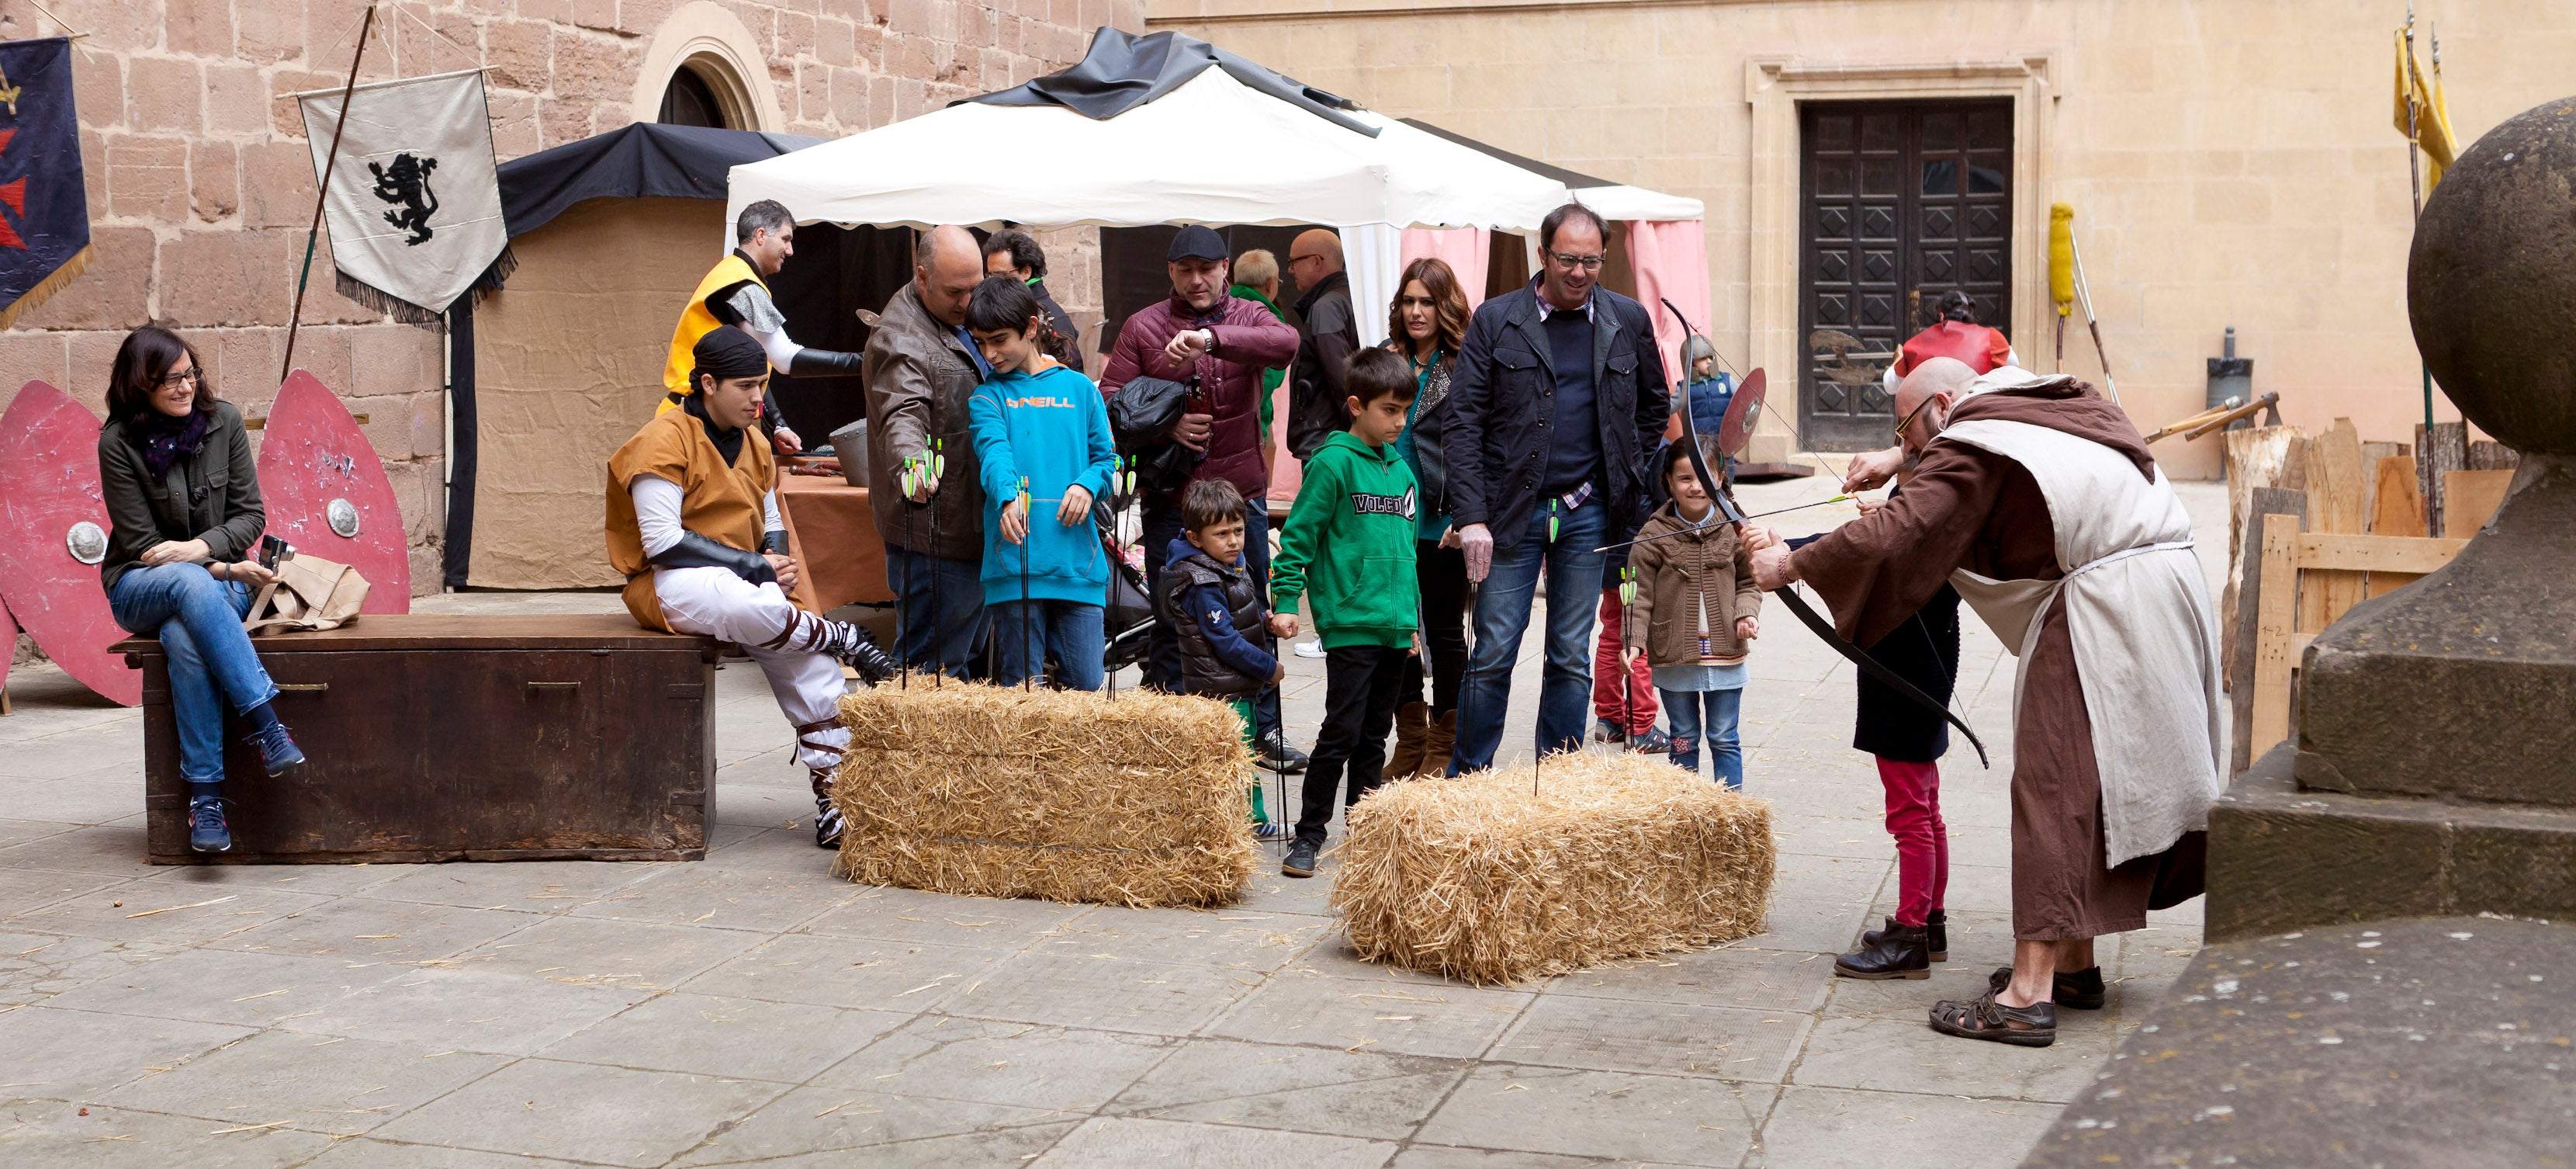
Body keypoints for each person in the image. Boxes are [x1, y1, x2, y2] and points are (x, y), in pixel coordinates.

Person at [1747, 356, 2221, 1047]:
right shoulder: (2043, 398)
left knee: (2053, 784)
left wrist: (1786, 564)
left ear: (1942, 405)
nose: (1909, 445)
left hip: (2103, 602)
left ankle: (2027, 995)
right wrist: (1902, 455)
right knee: (2092, 781)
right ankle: (2074, 963)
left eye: (1908, 428)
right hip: (2162, 587)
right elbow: (1954, 482)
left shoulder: (1971, 441)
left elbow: (1901, 532)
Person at [609, 327, 900, 848]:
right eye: (744, 386)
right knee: (737, 596)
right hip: (670, 583)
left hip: (747, 582)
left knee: (814, 673)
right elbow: (663, 543)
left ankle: (839, 803)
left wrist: (774, 559)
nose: (757, 398)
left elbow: (769, 516)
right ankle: (841, 637)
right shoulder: (663, 439)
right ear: (707, 384)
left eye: (761, 385)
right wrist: (754, 563)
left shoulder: (754, 440)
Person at [1445, 202, 1671, 772]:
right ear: (1542, 254)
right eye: (1568, 259)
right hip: (1511, 510)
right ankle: (1468, 779)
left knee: (1571, 654)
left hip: (1590, 509)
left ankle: (1561, 779)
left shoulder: (1627, 319)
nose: (1578, 272)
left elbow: (1653, 409)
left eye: (1591, 261)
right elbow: (1462, 420)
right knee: (1494, 650)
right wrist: (1472, 515)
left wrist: (1634, 485)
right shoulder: (1497, 320)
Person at [1099, 224, 1305, 772]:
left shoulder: (1251, 315)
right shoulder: (1143, 327)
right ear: (1171, 272)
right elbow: (1109, 404)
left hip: (1241, 497)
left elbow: (1286, 344)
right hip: (1175, 500)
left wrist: (1212, 341)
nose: (1196, 280)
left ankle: (1265, 732)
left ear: (1225, 271)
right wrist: (1165, 427)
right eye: (1185, 270)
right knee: (1174, 619)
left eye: (1206, 269)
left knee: (1253, 615)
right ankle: (1172, 734)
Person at [95, 327, 299, 855]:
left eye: (190, 374)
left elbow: (251, 515)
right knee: (184, 583)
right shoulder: (118, 442)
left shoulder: (224, 422)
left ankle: (205, 800)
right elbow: (144, 547)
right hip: (140, 587)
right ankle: (264, 720)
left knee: (184, 638)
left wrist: (194, 549)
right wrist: (217, 564)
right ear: (141, 386)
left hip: (210, 589)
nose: (185, 388)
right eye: (169, 381)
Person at [1271, 349, 1421, 879]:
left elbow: (1407, 555)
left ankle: (1365, 831)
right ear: (1356, 405)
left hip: (1394, 630)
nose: (1400, 422)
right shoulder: (1332, 464)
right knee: (1341, 732)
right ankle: (1309, 836)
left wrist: (1412, 626)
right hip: (1350, 624)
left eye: (1406, 410)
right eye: (1390, 410)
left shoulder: (1403, 471)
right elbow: (1298, 537)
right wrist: (1286, 601)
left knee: (1377, 737)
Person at [1804, 488, 1965, 982]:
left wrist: (1788, 551)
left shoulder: (1918, 550)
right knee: (1926, 807)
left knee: (1911, 816)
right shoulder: (1938, 532)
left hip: (1906, 683)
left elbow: (1857, 551)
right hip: (1924, 676)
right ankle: (1929, 924)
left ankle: (1912, 937)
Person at [965, 276, 1118, 691]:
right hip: (1015, 563)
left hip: (1077, 563)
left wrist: (1087, 485)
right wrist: (1007, 497)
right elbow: (994, 453)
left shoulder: (1080, 389)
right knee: (1021, 691)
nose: (989, 354)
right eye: (980, 342)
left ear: (1031, 328)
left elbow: (1108, 459)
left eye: (998, 340)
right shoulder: (986, 397)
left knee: (1086, 686)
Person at [864, 225, 992, 679]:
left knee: (962, 663)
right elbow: (902, 412)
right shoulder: (900, 339)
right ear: (922, 277)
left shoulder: (959, 318)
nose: (968, 302)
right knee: (928, 672)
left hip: (973, 523)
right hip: (936, 531)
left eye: (975, 289)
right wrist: (913, 467)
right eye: (955, 292)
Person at [660, 199, 868, 455]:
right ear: (761, 235)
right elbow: (784, 357)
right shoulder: (741, 284)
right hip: (690, 426)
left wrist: (777, 425)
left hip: (703, 423)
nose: (790, 250)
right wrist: (866, 362)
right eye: (785, 239)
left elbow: (755, 364)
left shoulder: (731, 274)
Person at [1622, 435, 1760, 786]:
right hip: (1675, 659)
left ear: (1721, 478)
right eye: (1685, 478)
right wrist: (1633, 642)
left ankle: (1731, 812)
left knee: (1725, 737)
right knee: (1682, 738)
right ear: (1668, 481)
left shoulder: (1736, 527)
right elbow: (1639, 597)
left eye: (1705, 476)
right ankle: (1688, 811)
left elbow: (1750, 580)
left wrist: (1747, 613)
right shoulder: (1651, 535)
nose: (1696, 487)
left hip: (1726, 654)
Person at [1379, 257, 1471, 781]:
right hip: (1391, 517)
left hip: (1444, 523)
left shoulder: (1465, 364)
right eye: (1409, 301)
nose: (1416, 311)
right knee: (1398, 632)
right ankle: (1410, 740)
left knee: (1444, 633)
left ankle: (1445, 743)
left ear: (1445, 306)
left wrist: (1468, 513)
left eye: (1427, 302)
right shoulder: (1388, 360)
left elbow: (1480, 446)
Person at [1162, 477, 1290, 840]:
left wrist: (1264, 624)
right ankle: (1255, 820)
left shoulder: (1225, 564)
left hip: (1233, 685)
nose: (1233, 540)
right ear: (1194, 538)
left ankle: (1233, 821)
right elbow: (1224, 641)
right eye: (1222, 534)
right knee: (1239, 760)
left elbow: (1236, 617)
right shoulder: (1202, 581)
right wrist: (1269, 668)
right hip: (1222, 689)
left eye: (1238, 530)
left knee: (1235, 756)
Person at [1840, 290, 2020, 495]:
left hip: (1932, 450)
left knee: (1903, 491)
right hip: (1979, 446)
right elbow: (2013, 367)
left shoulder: (1917, 343)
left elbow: (1890, 384)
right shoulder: (1993, 339)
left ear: (1941, 315)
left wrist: (1898, 360)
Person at [1283, 228, 1359, 463]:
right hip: (1342, 440)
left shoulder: (1327, 307)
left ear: (1316, 262)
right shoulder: (1354, 296)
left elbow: (1342, 382)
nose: (1290, 270)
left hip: (1328, 444)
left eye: (1294, 261)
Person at [982, 227, 1085, 373]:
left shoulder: (1041, 312)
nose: (993, 283)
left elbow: (1072, 371)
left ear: (1026, 272)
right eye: (990, 275)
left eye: (1001, 275)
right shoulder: (1032, 306)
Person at [1227, 248, 1290, 468]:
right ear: (1271, 284)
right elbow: (1270, 380)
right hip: (1248, 430)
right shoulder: (1272, 322)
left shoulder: (1218, 307)